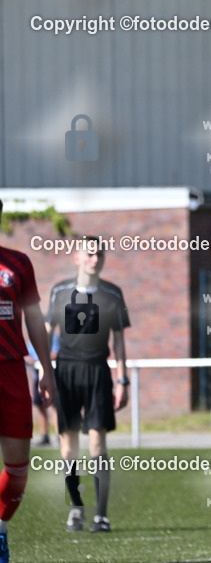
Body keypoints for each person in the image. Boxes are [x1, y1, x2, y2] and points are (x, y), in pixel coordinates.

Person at [46, 237, 130, 534]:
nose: (96, 259)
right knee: (68, 445)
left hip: (98, 373)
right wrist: (44, 373)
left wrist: (122, 380)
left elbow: (118, 341)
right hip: (66, 373)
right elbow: (47, 334)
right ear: (77, 257)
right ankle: (76, 509)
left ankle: (102, 516)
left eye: (99, 254)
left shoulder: (112, 294)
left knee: (97, 442)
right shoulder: (60, 291)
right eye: (90, 253)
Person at [0, 198, 58, 563]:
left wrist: (46, 370)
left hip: (10, 371)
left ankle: (0, 528)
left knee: (18, 471)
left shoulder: (18, 263)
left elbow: (35, 319)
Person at [27, 334, 60, 446]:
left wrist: (42, 360)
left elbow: (55, 353)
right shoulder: (32, 340)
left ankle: (58, 435)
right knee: (40, 406)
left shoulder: (53, 337)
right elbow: (27, 355)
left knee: (54, 407)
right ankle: (45, 436)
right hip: (38, 378)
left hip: (51, 377)